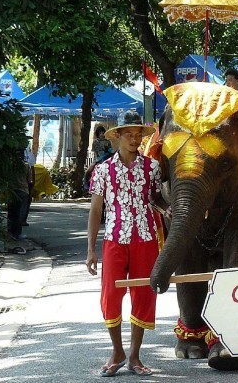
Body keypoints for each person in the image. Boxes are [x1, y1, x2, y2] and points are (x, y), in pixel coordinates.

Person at [86, 110, 168, 377]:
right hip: (114, 239)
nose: (134, 139)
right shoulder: (103, 170)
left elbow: (155, 199)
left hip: (146, 239)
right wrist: (90, 250)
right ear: (118, 136)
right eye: (129, 135)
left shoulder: (152, 167)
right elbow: (96, 211)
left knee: (144, 295)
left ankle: (134, 356)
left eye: (137, 135)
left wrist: (169, 210)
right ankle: (117, 351)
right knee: (110, 295)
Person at [8, 148, 33, 241]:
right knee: (20, 214)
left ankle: (10, 232)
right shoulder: (26, 166)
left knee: (11, 213)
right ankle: (17, 233)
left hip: (12, 191)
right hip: (23, 191)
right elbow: (30, 180)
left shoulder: (10, 165)